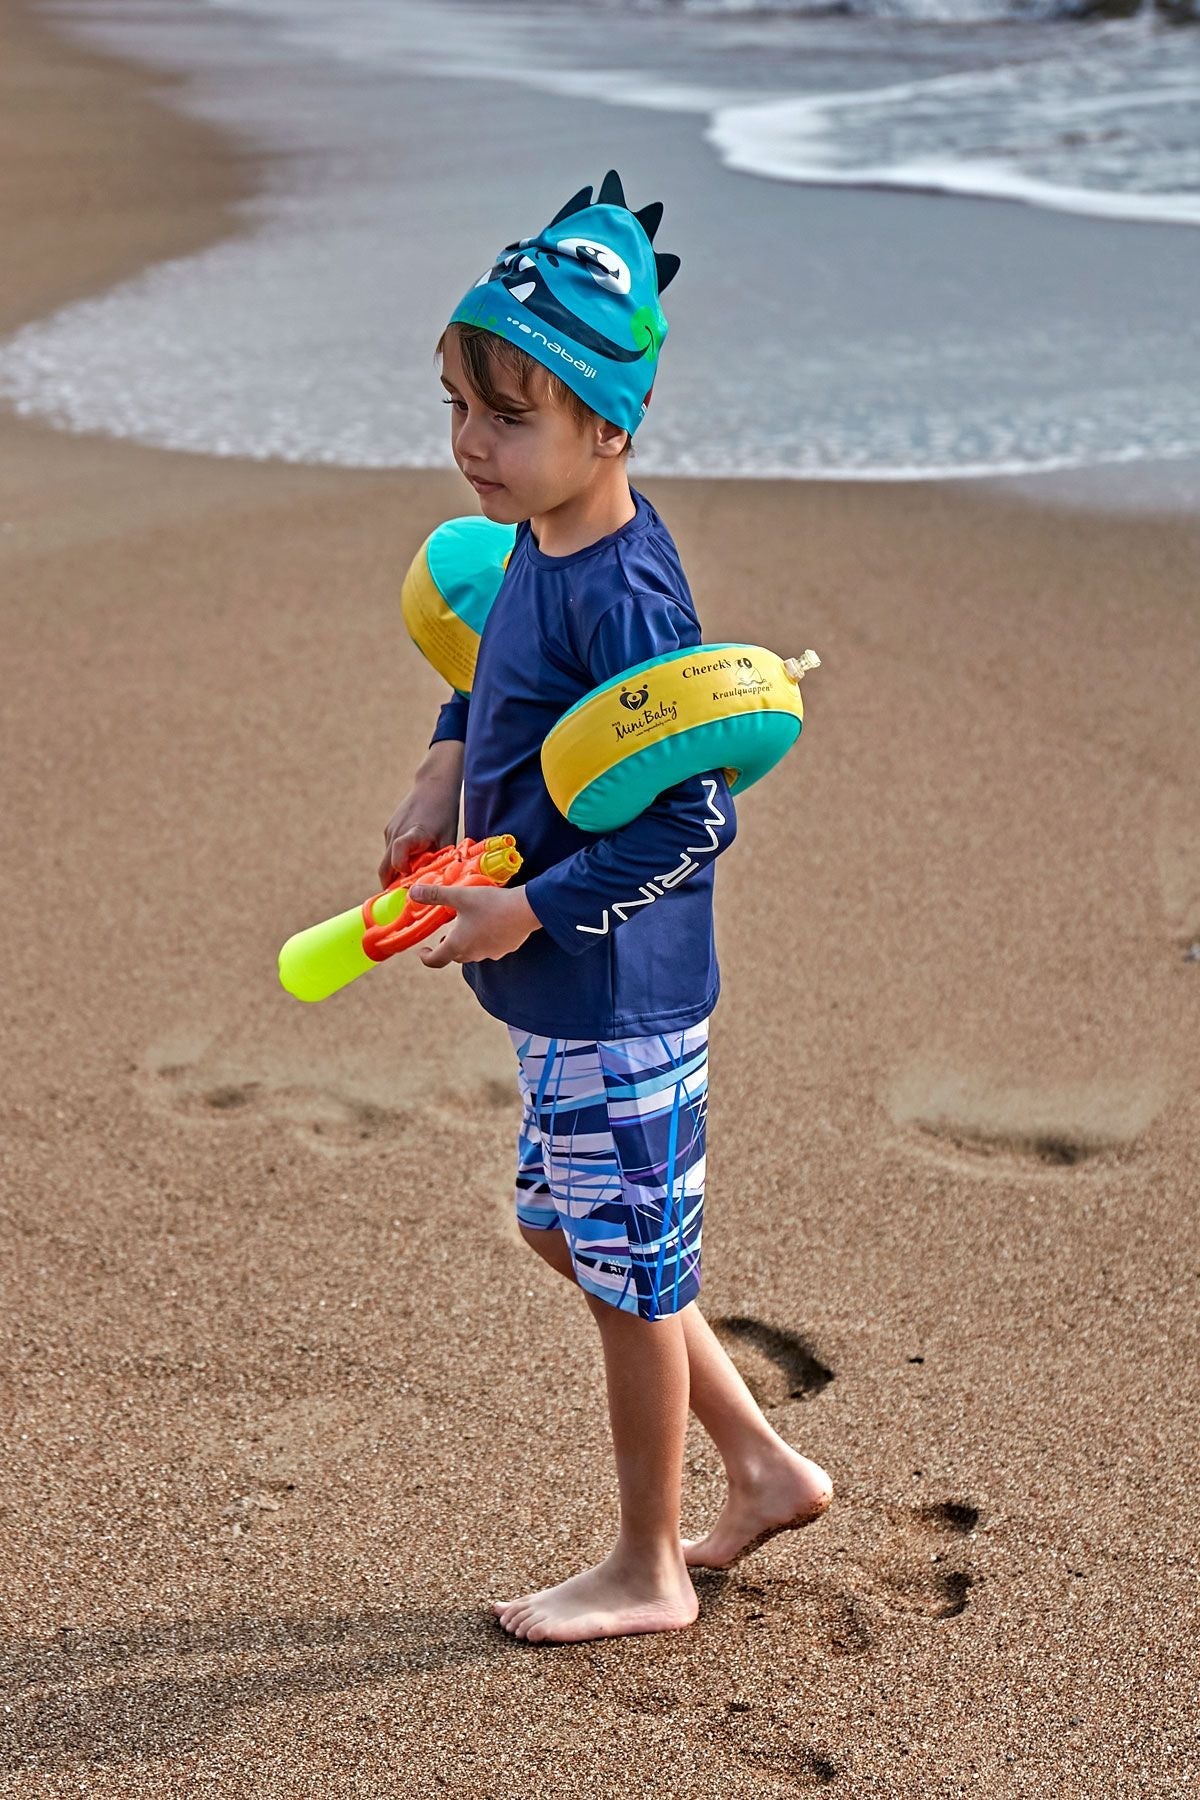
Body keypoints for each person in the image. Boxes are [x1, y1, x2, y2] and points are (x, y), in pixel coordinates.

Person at [379, 171, 832, 1645]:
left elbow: (694, 815)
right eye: (457, 406)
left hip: (619, 993)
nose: (471, 443)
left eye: (507, 416)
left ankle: (649, 1565)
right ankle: (761, 1466)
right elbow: (492, 667)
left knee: (632, 1281)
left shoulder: (628, 593)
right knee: (567, 1231)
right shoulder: (539, 536)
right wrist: (441, 763)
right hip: (563, 997)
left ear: (609, 427)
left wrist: (530, 914)